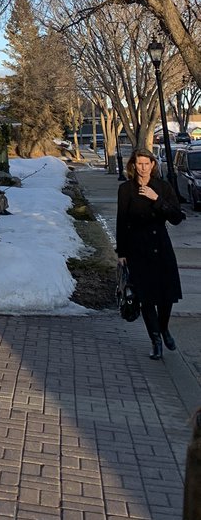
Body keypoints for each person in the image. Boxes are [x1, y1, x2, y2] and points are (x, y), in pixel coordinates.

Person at [116, 147, 183, 360]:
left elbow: (176, 217)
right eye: (139, 164)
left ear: (153, 165)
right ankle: (155, 340)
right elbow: (122, 220)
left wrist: (156, 199)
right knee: (146, 298)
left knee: (166, 296)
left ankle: (163, 328)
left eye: (147, 163)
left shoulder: (163, 187)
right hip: (138, 249)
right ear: (133, 166)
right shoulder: (126, 189)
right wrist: (122, 251)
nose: (143, 168)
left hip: (161, 246)